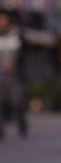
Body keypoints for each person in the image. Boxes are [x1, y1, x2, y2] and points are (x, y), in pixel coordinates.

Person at [0, 11, 27, 139]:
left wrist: (15, 62)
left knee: (17, 103)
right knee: (1, 102)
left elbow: (22, 53)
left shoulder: (17, 34)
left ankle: (22, 124)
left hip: (15, 75)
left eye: (3, 19)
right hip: (1, 74)